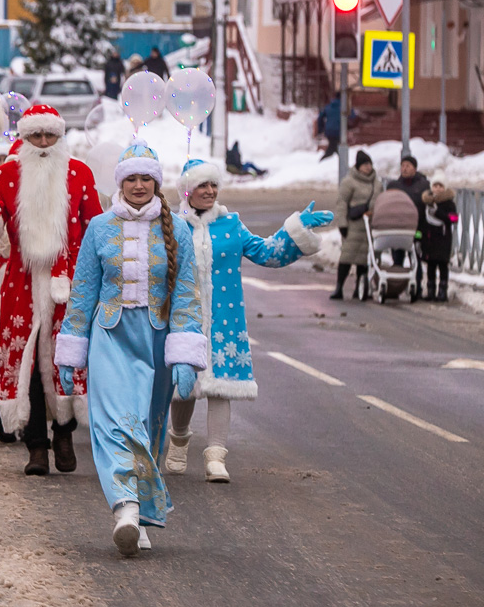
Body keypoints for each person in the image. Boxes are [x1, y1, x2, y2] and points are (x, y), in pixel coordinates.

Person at [54, 140, 206, 556]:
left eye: (146, 179)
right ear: (120, 183)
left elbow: (187, 296)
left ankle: (138, 512)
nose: (139, 186)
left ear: (157, 184)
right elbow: (83, 291)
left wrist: (185, 356)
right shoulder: (99, 228)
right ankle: (124, 507)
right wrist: (73, 348)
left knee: (148, 426)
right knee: (114, 423)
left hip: (155, 340)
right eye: (131, 178)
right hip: (110, 336)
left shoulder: (179, 232)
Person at [166, 159, 331, 482]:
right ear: (187, 191)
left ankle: (216, 456)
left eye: (214, 185)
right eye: (202, 186)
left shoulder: (231, 225)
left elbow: (267, 252)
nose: (210, 191)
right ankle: (179, 438)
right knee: (183, 389)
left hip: (224, 322)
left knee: (221, 387)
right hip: (183, 318)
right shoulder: (172, 226)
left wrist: (297, 231)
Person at [0, 104, 103, 476]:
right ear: (24, 138)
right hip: (19, 278)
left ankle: (64, 433)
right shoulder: (5, 174)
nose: (44, 143)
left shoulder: (79, 173)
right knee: (26, 363)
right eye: (36, 135)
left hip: (70, 279)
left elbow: (96, 226)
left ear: (60, 137)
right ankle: (35, 445)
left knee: (66, 357)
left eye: (50, 135)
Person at [331, 150, 382, 300]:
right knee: (347, 257)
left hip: (370, 226)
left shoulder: (377, 184)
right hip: (353, 225)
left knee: (364, 260)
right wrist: (342, 224)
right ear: (358, 166)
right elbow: (342, 203)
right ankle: (339, 287)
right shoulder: (349, 182)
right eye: (365, 164)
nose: (368, 167)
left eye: (369, 164)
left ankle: (360, 289)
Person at [386, 155, 430, 286]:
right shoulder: (395, 185)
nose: (404, 169)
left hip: (417, 229)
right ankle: (396, 285)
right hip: (398, 228)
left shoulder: (423, 185)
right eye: (402, 166)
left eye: (408, 166)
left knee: (415, 257)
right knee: (397, 258)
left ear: (414, 169)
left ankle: (417, 285)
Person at [420, 171, 457, 302]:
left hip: (443, 240)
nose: (438, 189)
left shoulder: (449, 203)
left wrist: (438, 212)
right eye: (435, 186)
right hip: (429, 240)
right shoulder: (426, 202)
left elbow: (453, 218)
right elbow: (422, 220)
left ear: (445, 188)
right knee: (430, 266)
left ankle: (442, 291)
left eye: (440, 186)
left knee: (442, 266)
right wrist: (419, 236)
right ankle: (430, 290)